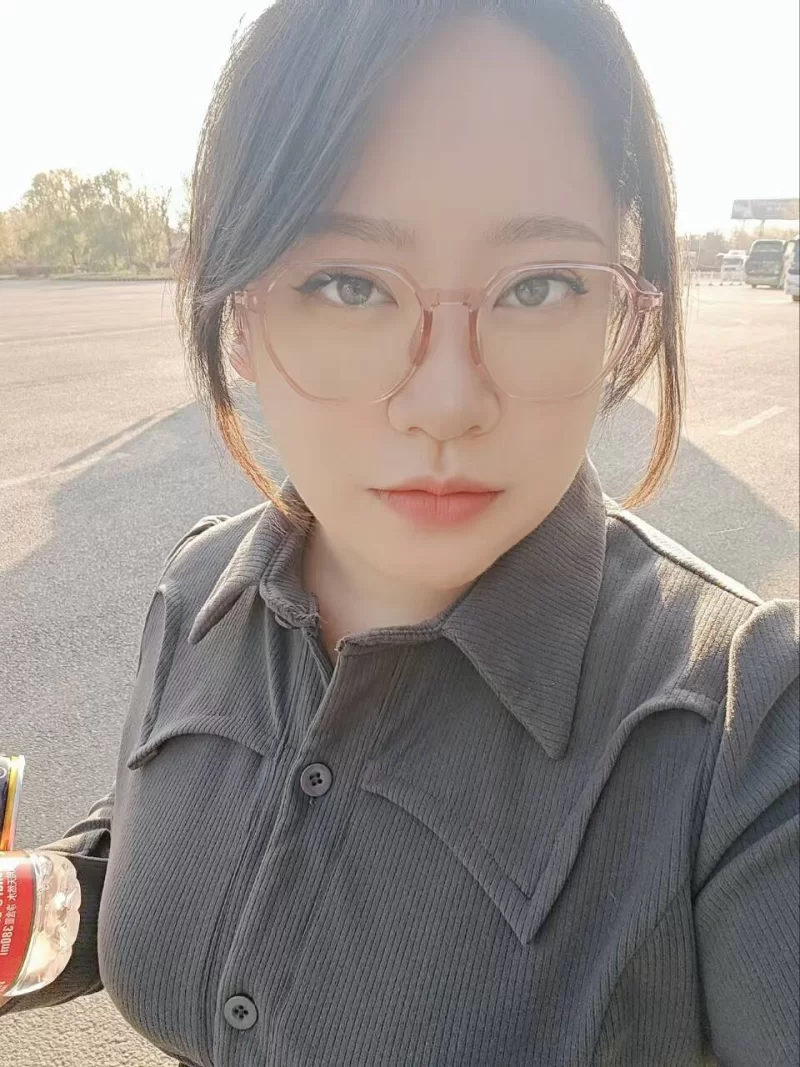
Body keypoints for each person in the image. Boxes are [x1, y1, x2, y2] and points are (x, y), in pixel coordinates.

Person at [2, 2, 798, 1064]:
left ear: (626, 310)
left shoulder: (749, 740)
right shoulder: (199, 589)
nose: (446, 401)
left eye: (540, 286)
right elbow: (170, 836)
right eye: (348, 284)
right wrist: (46, 896)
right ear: (238, 316)